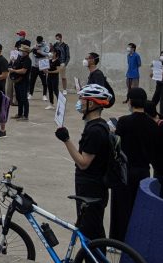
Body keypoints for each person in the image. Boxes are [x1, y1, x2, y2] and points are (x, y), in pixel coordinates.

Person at [54, 84, 115, 241]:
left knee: (90, 234)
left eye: (82, 99)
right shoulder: (97, 125)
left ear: (92, 103)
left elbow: (83, 162)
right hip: (93, 185)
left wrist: (66, 139)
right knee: (93, 230)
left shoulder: (95, 130)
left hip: (91, 187)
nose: (79, 102)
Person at [110, 88, 157, 241]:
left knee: (121, 207)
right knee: (139, 207)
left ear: (130, 101)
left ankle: (120, 239)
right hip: (143, 170)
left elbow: (117, 144)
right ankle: (138, 238)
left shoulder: (124, 121)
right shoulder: (152, 124)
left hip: (124, 170)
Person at [9, 44, 31, 120]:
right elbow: (15, 65)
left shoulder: (27, 60)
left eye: (22, 50)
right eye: (20, 50)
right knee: (19, 98)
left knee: (24, 99)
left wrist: (14, 70)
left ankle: (25, 116)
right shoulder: (20, 58)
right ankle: (19, 113)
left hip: (23, 82)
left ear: (26, 52)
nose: (20, 51)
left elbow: (23, 71)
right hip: (17, 82)